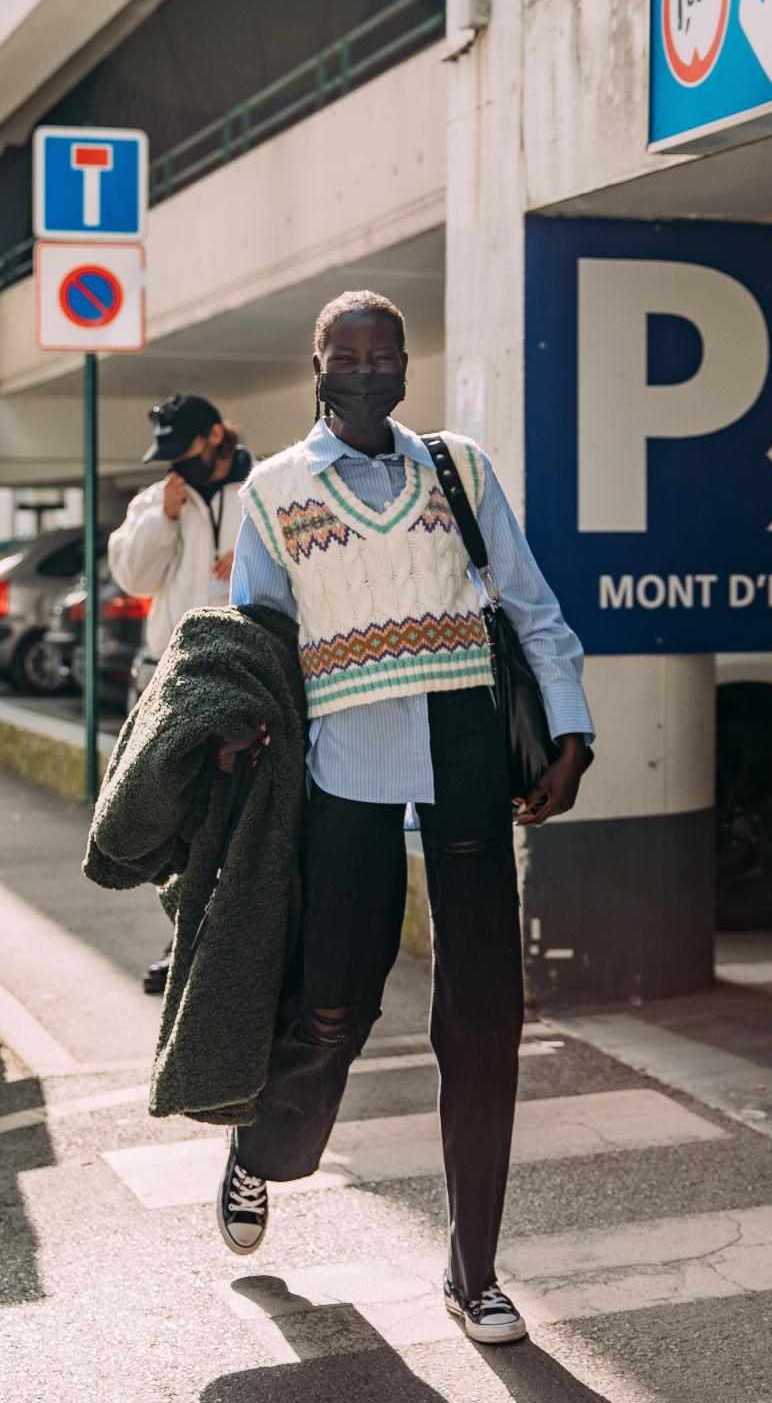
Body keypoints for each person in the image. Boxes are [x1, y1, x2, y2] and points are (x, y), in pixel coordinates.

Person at [222, 289, 594, 1345]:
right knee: (333, 1008)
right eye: (350, 356)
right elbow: (251, 641)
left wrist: (569, 731)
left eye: (386, 357)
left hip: (470, 756)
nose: (371, 372)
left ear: (402, 369)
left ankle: (473, 1272)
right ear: (318, 367)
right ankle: (262, 1154)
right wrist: (228, 734)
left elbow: (528, 604)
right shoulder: (275, 489)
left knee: (485, 1020)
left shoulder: (459, 469)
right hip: (348, 772)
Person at [108, 393, 251, 993]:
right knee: (180, 815)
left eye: (184, 448)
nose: (176, 463)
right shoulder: (159, 497)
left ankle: (232, 943)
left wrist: (249, 559)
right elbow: (133, 577)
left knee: (242, 815)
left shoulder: (262, 489)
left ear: (216, 436)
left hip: (247, 676)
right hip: (176, 676)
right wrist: (161, 517)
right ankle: (183, 935)